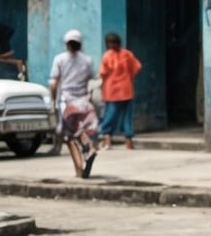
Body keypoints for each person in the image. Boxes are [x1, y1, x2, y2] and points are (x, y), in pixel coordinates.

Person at [49, 28, 98, 178]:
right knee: (82, 131)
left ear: (66, 44)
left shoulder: (59, 59)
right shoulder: (88, 60)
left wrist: (53, 100)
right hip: (84, 103)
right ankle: (89, 149)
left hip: (68, 103)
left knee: (69, 138)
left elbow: (53, 83)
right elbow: (92, 82)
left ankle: (78, 170)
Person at [98, 32, 143, 149]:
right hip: (127, 89)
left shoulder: (107, 56)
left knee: (110, 115)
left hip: (112, 91)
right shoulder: (127, 54)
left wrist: (102, 85)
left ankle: (107, 138)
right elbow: (137, 67)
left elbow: (102, 73)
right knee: (127, 116)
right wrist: (129, 77)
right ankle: (129, 141)